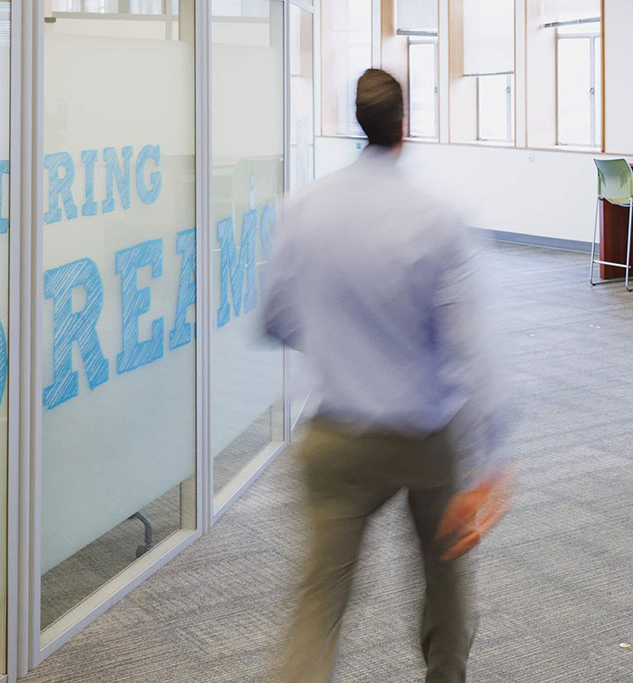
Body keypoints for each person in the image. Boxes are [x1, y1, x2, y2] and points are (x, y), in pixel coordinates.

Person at [261, 68, 513, 683]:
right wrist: (490, 458)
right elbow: (469, 351)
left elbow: (275, 319)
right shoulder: (435, 219)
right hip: (427, 440)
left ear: (358, 122)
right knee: (445, 588)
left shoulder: (303, 209)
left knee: (319, 599)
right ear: (405, 127)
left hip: (336, 434)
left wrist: (336, 342)